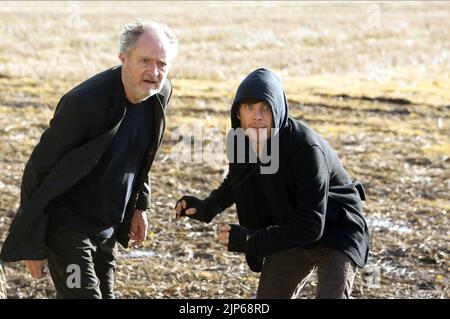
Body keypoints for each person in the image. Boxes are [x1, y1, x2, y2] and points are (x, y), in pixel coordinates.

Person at [0, 19, 177, 298]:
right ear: (123, 58)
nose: (154, 72)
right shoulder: (83, 104)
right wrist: (32, 244)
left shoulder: (159, 94)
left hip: (107, 226)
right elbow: (37, 171)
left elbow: (142, 153)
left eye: (162, 64)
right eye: (144, 60)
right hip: (66, 228)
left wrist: (140, 205)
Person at [175, 68, 370, 299]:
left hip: (337, 230)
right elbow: (237, 180)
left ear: (277, 111)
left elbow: (312, 224)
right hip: (291, 229)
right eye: (249, 107)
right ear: (238, 113)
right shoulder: (241, 140)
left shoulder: (306, 149)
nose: (257, 116)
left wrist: (252, 240)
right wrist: (208, 207)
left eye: (265, 108)